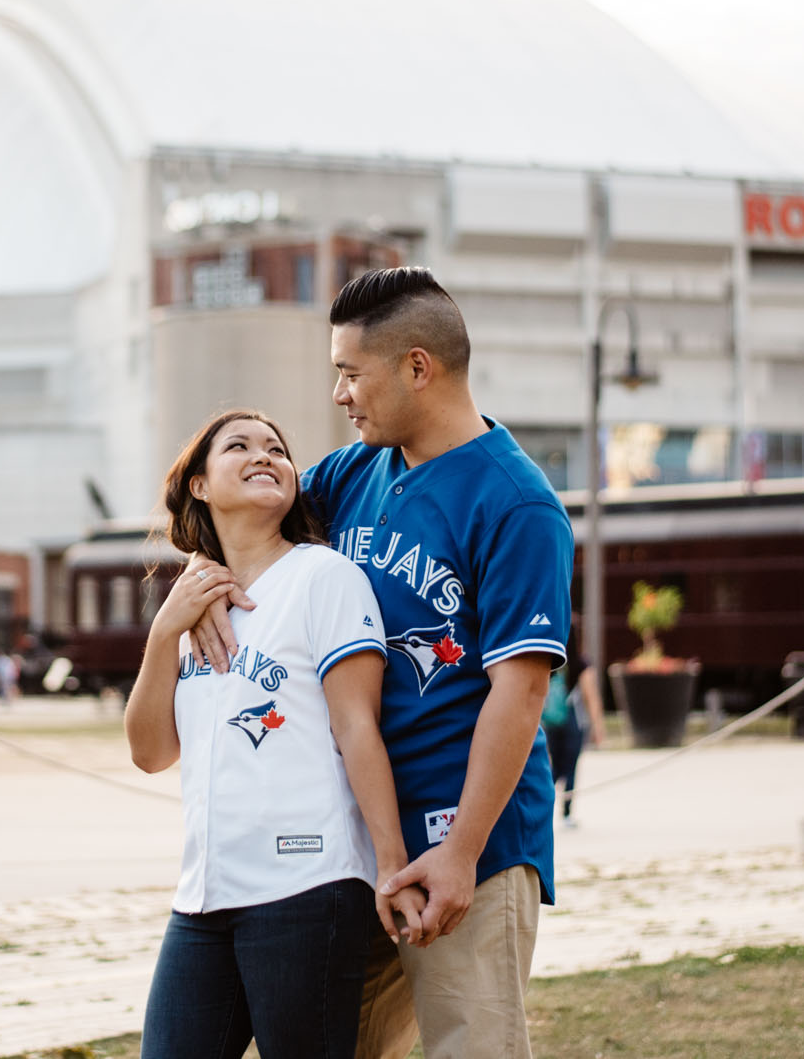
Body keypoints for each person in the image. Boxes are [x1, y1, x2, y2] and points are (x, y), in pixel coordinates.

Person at [191, 267, 573, 1059]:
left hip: (470, 844)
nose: (339, 395)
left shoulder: (516, 503)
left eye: (350, 373)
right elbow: (241, 509)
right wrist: (194, 592)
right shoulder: (349, 475)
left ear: (417, 368)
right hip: (359, 842)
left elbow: (522, 690)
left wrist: (463, 850)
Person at [127, 409, 424, 1059]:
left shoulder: (324, 577)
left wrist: (392, 865)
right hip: (205, 894)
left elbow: (356, 726)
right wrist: (164, 630)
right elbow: (150, 752)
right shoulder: (197, 603)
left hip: (307, 886)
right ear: (200, 484)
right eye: (240, 446)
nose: (266, 456)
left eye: (278, 449)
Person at [542, 619, 604, 831]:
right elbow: (591, 697)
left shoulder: (551, 661)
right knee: (570, 768)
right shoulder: (581, 664)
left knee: (553, 768)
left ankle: (543, 809)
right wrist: (597, 727)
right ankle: (566, 813)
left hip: (550, 721)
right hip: (573, 722)